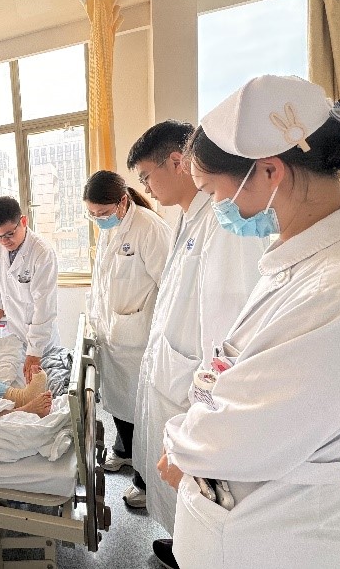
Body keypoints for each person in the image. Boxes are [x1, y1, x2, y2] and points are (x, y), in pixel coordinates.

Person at [158, 75, 340, 569]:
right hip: (248, 524)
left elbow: (244, 435)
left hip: (281, 539)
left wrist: (182, 446)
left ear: (270, 170)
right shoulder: (308, 258)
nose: (219, 208)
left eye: (215, 192)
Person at [126, 120, 266, 563]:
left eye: (146, 176)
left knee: (195, 494)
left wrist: (208, 405)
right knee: (175, 492)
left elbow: (230, 329)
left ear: (176, 161)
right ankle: (180, 542)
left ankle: (189, 553)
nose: (145, 187)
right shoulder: (188, 216)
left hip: (192, 388)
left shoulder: (224, 223)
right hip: (173, 377)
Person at [82, 170, 171, 505]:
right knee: (119, 402)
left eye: (103, 213)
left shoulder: (149, 228)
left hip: (139, 340)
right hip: (113, 334)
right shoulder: (111, 228)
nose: (98, 219)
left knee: (142, 412)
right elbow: (103, 282)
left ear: (122, 201)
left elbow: (169, 286)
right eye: (92, 214)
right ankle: (125, 451)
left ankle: (146, 483)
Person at [0, 196, 70, 396]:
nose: (4, 241)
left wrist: (34, 352)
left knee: (44, 388)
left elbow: (44, 308)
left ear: (23, 221)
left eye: (9, 234)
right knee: (17, 387)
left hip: (41, 339)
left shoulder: (42, 253)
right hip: (14, 333)